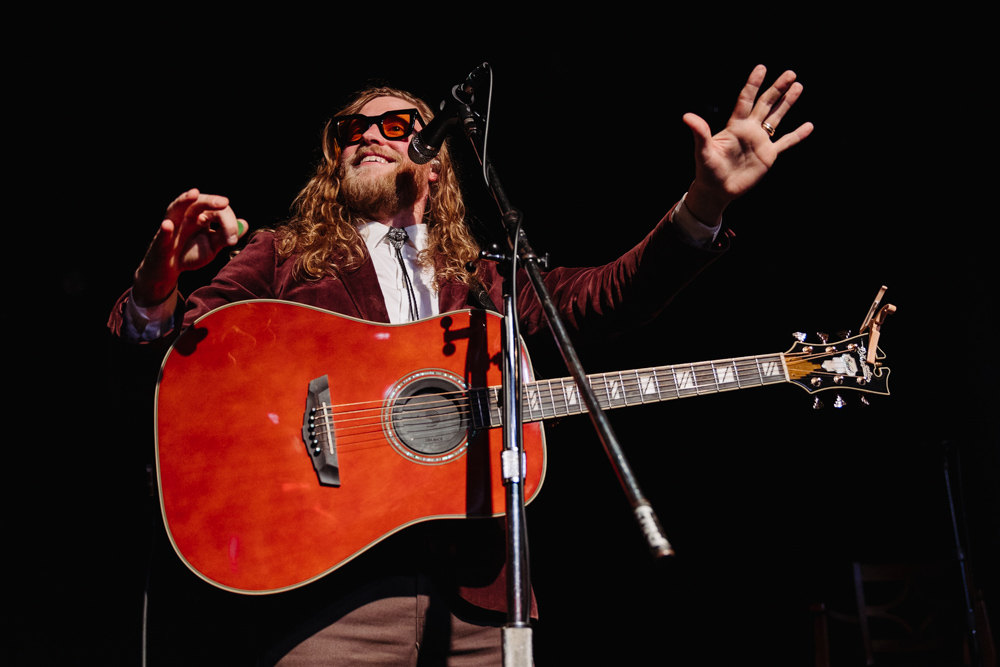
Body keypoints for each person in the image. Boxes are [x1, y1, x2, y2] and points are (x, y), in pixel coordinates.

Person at [109, 65, 811, 665]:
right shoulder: (282, 255)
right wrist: (154, 288)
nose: (369, 138)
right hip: (331, 589)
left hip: (483, 593)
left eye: (396, 126)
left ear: (435, 166)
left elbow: (605, 300)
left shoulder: (487, 283)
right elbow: (178, 357)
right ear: (336, 164)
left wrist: (704, 204)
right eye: (351, 132)